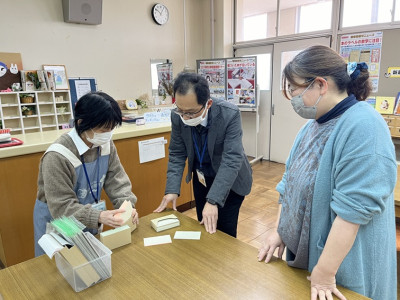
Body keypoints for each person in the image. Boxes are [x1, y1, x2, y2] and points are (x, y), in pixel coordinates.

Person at [257, 45, 397, 300]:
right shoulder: (314, 125)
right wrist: (280, 230)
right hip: (312, 260)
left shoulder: (365, 126)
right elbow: (289, 183)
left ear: (320, 84)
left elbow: (353, 211)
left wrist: (324, 272)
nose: (292, 99)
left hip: (342, 263)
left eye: (294, 89)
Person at [33, 91, 139, 256]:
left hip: (86, 216)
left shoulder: (105, 145)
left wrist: (127, 206)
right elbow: (62, 207)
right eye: (104, 129)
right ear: (82, 122)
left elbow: (117, 180)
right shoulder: (57, 156)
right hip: (58, 221)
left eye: (111, 129)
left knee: (90, 266)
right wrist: (99, 216)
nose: (108, 134)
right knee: (59, 270)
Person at [154, 72, 252, 237]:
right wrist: (172, 189)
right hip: (202, 179)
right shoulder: (177, 116)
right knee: (204, 225)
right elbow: (177, 153)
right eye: (181, 110)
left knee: (224, 233)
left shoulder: (229, 114)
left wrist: (213, 200)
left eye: (191, 113)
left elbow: (231, 160)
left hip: (229, 181)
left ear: (208, 104)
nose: (185, 117)